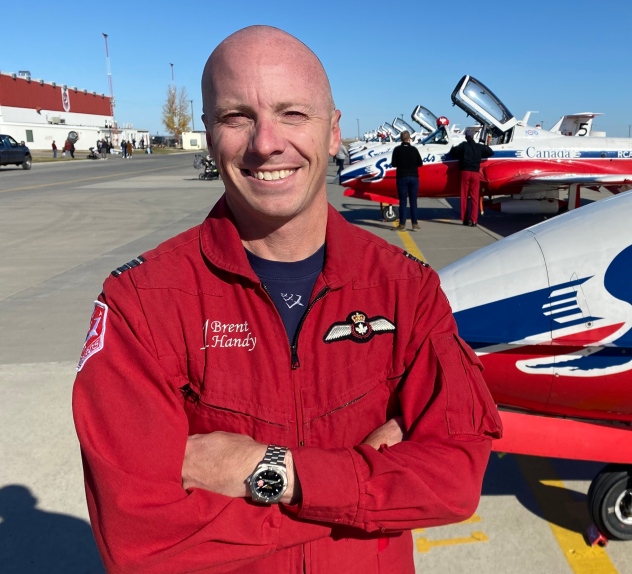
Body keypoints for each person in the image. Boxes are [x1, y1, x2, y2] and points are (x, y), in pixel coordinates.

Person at [72, 25, 501, 573]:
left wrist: (272, 471)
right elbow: (142, 542)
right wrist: (364, 483)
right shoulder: (141, 305)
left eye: (293, 113)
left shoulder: (407, 289)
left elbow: (455, 482)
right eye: (237, 117)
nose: (266, 142)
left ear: (333, 133)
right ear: (208, 133)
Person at [448, 131, 493, 226]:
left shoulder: (463, 146)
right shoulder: (479, 147)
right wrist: (487, 145)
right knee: (474, 197)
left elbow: (452, 152)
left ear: (466, 137)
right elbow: (490, 152)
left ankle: (464, 219)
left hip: (464, 172)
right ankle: (474, 220)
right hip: (476, 173)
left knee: (464, 196)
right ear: (473, 137)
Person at [390, 130, 423, 231]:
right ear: (409, 139)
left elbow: (394, 164)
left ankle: (402, 224)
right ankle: (415, 224)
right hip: (413, 177)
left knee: (403, 202)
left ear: (401, 139)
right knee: (413, 202)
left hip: (402, 177)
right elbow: (420, 163)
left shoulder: (397, 149)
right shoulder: (414, 149)